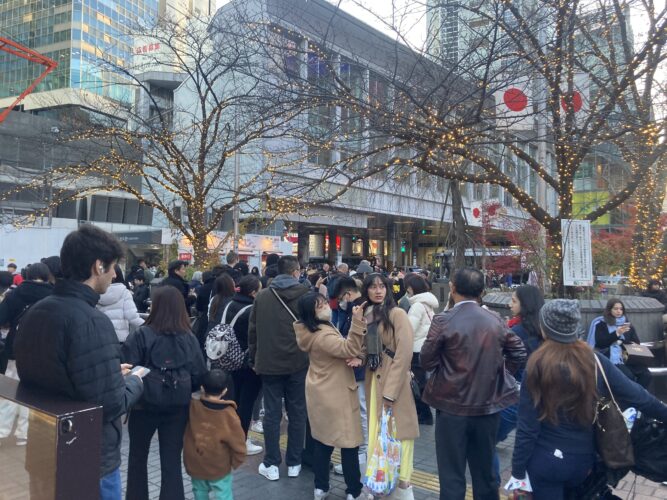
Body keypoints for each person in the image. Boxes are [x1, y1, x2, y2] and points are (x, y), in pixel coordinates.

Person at [14, 225, 144, 500]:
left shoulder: (35, 312)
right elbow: (110, 404)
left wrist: (109, 373)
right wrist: (134, 381)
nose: (113, 274)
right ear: (99, 266)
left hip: (42, 445)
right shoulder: (91, 321)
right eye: (112, 268)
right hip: (88, 458)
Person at [508, 299, 667, 499]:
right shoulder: (595, 362)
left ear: (545, 328)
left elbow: (527, 427)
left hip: (545, 462)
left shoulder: (537, 365)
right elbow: (641, 398)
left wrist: (518, 473)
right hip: (583, 461)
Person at [420, 267, 527, 500]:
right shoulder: (495, 319)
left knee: (451, 475)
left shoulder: (444, 320)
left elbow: (426, 361)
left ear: (453, 288)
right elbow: (518, 352)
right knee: (485, 473)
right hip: (486, 407)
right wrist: (499, 375)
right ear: (481, 291)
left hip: (450, 407)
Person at [122, 285, 207, 500]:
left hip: (143, 405)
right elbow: (199, 375)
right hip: (178, 408)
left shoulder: (142, 334)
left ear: (155, 307)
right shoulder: (189, 337)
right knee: (171, 461)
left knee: (137, 458)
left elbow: (128, 369)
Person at [294, 292, 368, 500]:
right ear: (312, 312)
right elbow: (349, 348)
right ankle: (354, 490)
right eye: (320, 305)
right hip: (336, 392)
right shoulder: (324, 335)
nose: (326, 306)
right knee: (349, 443)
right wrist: (357, 321)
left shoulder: (309, 331)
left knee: (323, 442)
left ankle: (320, 487)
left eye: (325, 302)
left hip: (319, 390)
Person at [248, 255, 310, 481]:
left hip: (269, 363)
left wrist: (254, 357)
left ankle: (271, 463)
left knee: (272, 414)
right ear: (296, 271)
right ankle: (294, 462)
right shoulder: (306, 295)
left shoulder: (263, 296)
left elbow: (252, 331)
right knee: (297, 412)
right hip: (299, 362)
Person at [362, 273, 419, 500]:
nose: (378, 291)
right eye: (373, 287)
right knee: (378, 434)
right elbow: (359, 348)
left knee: (399, 434)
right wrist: (357, 321)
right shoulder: (366, 314)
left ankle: (402, 487)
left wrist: (390, 392)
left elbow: (404, 352)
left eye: (382, 286)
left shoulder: (397, 314)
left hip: (393, 384)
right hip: (374, 380)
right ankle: (381, 482)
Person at [494, 285, 544, 483]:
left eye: (514, 301)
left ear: (526, 305)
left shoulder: (517, 331)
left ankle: (493, 488)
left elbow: (502, 363)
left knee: (486, 442)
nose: (509, 304)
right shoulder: (543, 330)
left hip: (517, 396)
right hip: (541, 397)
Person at [0, 262, 53, 438]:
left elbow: (1, 317)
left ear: (27, 275)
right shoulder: (53, 295)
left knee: (10, 391)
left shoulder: (16, 293)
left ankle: (2, 430)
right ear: (46, 276)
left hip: (16, 348)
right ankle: (23, 433)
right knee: (30, 393)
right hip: (42, 350)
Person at [183, 369, 246, 500]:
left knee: (199, 491)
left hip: (196, 463)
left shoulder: (192, 406)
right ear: (225, 391)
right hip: (219, 466)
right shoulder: (229, 415)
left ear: (202, 388)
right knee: (223, 494)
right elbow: (238, 443)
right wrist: (236, 461)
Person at [223, 274, 264, 456]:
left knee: (235, 400)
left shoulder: (229, 304)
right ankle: (241, 441)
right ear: (254, 292)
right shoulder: (251, 310)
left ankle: (231, 438)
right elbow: (254, 337)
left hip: (229, 360)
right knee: (246, 403)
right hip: (247, 362)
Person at [334, 276, 370, 464]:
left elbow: (367, 338)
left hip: (359, 369)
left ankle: (362, 454)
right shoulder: (355, 307)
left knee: (360, 410)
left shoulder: (359, 309)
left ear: (347, 294)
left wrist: (360, 357)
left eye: (341, 297)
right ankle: (361, 453)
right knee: (359, 410)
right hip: (356, 368)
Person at [590, 298, 651, 388]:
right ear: (609, 310)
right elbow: (600, 343)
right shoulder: (601, 324)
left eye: (621, 309)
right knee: (627, 376)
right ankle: (631, 398)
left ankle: (637, 398)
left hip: (628, 357)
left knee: (646, 374)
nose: (619, 311)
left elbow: (636, 342)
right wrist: (617, 333)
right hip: (611, 358)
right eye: (615, 309)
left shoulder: (626, 324)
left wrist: (621, 341)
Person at [404, 273, 438, 426]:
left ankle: (424, 414)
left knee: (417, 383)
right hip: (425, 347)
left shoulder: (417, 305)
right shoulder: (427, 303)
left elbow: (409, 329)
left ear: (411, 288)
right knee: (421, 382)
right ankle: (423, 413)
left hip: (416, 349)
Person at [97, 264, 144, 343]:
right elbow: (133, 318)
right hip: (120, 340)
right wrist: (151, 327)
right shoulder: (124, 292)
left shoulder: (95, 292)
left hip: (100, 339)